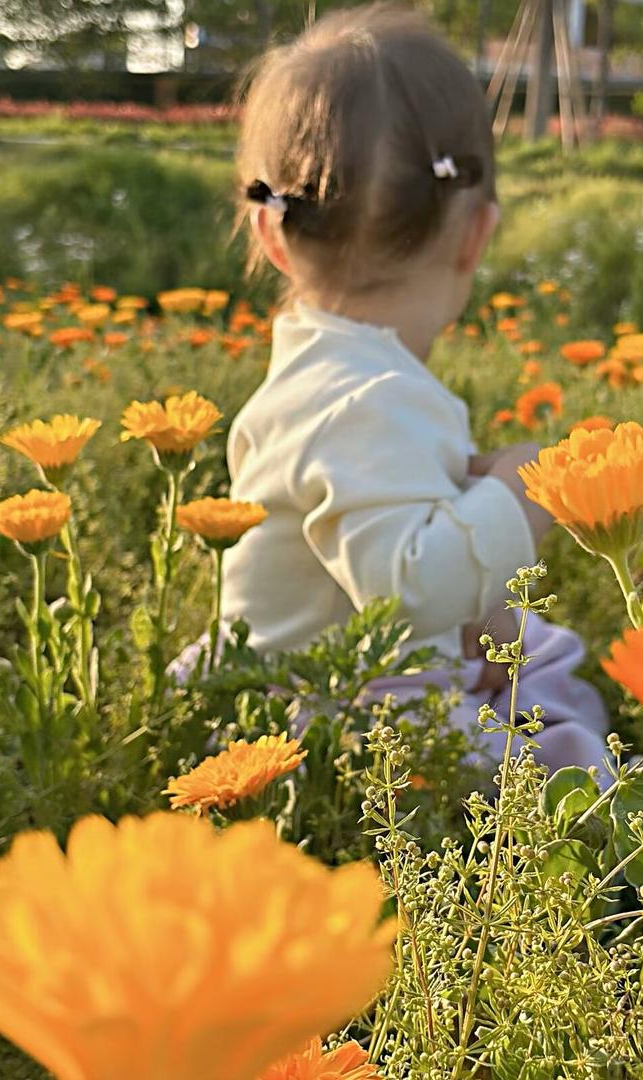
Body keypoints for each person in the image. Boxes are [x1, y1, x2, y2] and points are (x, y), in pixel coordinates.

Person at [189, 3, 608, 776]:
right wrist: (523, 489)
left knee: (528, 670)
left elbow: (367, 563)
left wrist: (474, 612)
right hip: (356, 740)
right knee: (562, 783)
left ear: (271, 235)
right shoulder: (369, 396)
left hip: (312, 698)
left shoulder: (324, 375)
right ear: (478, 232)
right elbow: (407, 589)